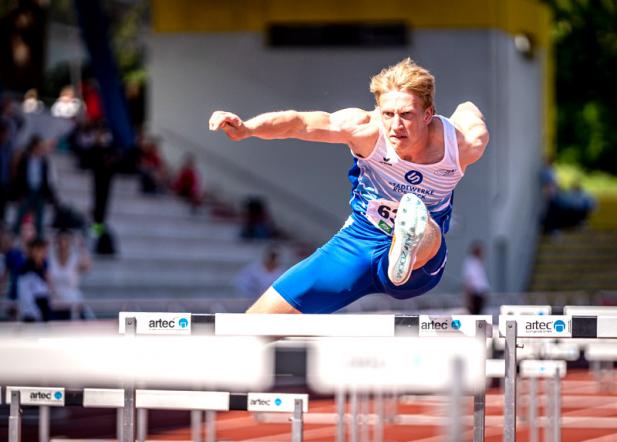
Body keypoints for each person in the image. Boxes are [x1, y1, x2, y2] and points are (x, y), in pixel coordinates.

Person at [209, 58, 489, 314]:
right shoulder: (366, 129)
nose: (395, 126)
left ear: (428, 115)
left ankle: (405, 247)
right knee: (254, 323)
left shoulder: (462, 145)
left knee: (425, 225)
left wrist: (468, 108)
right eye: (388, 114)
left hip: (420, 263)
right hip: (359, 242)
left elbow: (470, 114)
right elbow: (300, 123)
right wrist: (248, 128)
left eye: (406, 114)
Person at [48, 229, 92, 319]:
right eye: (60, 240)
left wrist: (81, 247)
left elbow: (87, 267)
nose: (63, 244)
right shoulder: (50, 258)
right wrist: (49, 243)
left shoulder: (75, 258)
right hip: (54, 303)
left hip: (72, 303)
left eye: (66, 240)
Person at [461, 241, 490, 315]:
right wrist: (468, 297)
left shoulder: (478, 263)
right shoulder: (471, 263)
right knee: (475, 315)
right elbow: (469, 280)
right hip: (474, 294)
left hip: (480, 294)